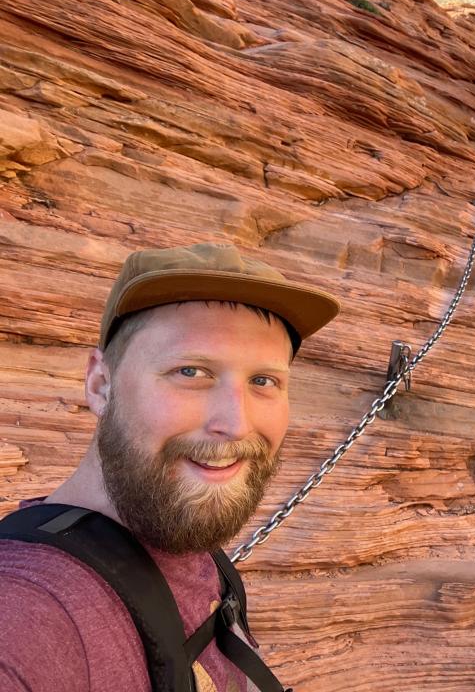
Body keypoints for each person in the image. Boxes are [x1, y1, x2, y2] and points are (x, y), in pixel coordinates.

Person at [0, 242, 340, 691]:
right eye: (191, 372)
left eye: (263, 380)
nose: (235, 424)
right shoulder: (29, 614)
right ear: (100, 385)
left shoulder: (193, 551)